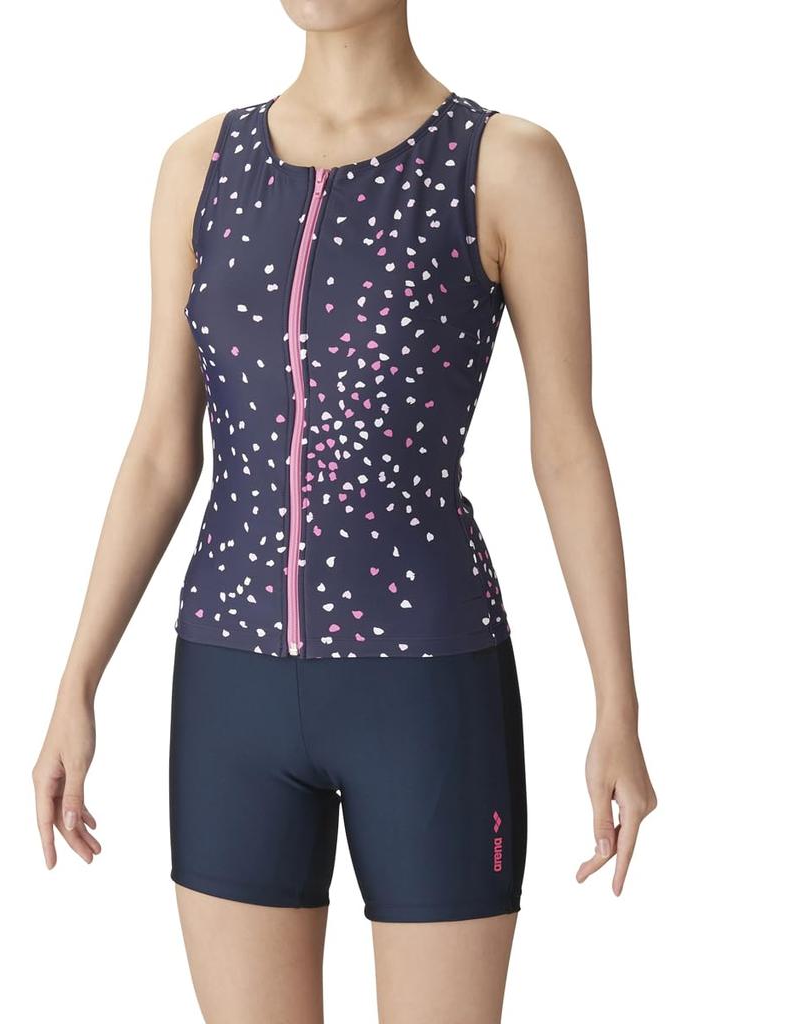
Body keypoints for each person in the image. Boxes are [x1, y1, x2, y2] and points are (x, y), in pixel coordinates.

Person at [32, 1, 657, 1020]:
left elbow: (566, 448)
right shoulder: (200, 166)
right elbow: (159, 449)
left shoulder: (504, 164)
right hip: (227, 687)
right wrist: (76, 682)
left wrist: (616, 706)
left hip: (427, 692)